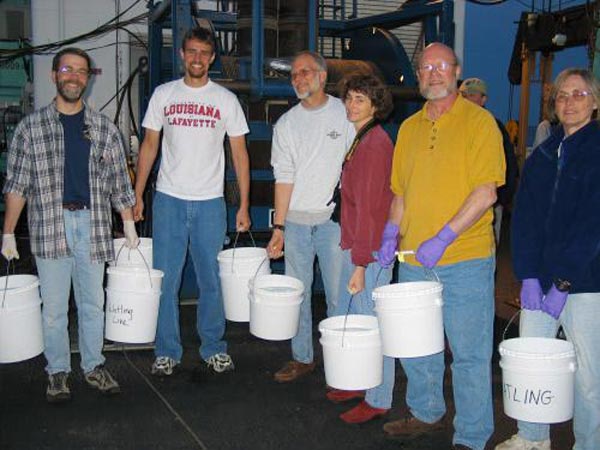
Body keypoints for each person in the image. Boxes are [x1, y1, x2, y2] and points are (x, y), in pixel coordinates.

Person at [376, 43, 505, 450]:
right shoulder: (410, 129)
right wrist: (389, 235)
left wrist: (444, 237)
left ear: (457, 71)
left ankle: (470, 434)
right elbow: (401, 194)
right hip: (414, 260)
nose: (433, 73)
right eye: (425, 66)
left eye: (441, 66)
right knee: (419, 348)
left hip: (465, 259)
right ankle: (426, 412)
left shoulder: (481, 123)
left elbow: (486, 192)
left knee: (468, 354)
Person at [1, 47, 139, 403]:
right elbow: (17, 184)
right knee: (55, 309)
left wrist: (127, 223)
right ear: (54, 76)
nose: (74, 76)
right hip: (50, 225)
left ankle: (93, 366)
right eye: (67, 69)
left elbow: (119, 182)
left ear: (88, 78)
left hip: (93, 226)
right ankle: (57, 371)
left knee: (94, 304)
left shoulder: (104, 128)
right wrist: (7, 232)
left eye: (81, 71)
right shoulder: (30, 129)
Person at [133, 28, 250, 376]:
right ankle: (167, 350)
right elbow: (150, 146)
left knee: (211, 280)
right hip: (168, 200)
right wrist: (137, 194)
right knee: (165, 280)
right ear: (182, 55)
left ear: (212, 58)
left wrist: (243, 205)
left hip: (210, 204)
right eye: (192, 52)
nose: (198, 58)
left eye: (204, 53)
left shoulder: (226, 100)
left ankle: (213, 346)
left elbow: (240, 154)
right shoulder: (163, 94)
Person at [496, 68, 600, 450]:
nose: (569, 102)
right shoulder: (542, 153)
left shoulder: (597, 150)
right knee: (534, 364)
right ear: (553, 105)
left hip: (586, 284)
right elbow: (523, 219)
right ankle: (532, 437)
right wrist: (527, 275)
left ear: (595, 102)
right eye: (562, 96)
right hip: (539, 283)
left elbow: (593, 224)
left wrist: (565, 283)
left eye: (579, 94)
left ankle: (589, 443)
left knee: (589, 376)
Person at [266, 51, 354, 383]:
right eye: (294, 75)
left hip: (333, 222)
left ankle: (341, 361)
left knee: (337, 295)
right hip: (298, 224)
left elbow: (354, 167)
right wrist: (280, 227)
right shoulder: (287, 124)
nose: (299, 79)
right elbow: (284, 175)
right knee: (298, 294)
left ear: (322, 76)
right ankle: (302, 357)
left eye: (305, 72)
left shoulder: (345, 115)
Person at [325, 74, 395, 423]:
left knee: (372, 326)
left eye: (360, 100)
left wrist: (361, 264)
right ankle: (357, 380)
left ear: (375, 105)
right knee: (350, 319)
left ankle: (379, 397)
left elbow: (371, 209)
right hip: (356, 246)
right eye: (349, 98)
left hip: (369, 255)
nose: (351, 105)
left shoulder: (375, 144)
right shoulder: (360, 139)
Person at [459, 77, 518, 244]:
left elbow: (508, 164)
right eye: (462, 94)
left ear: (483, 99)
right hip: (456, 203)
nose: (466, 98)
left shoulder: (493, 126)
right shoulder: (451, 127)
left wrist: (500, 199)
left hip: (487, 203)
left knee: (485, 245)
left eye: (471, 95)